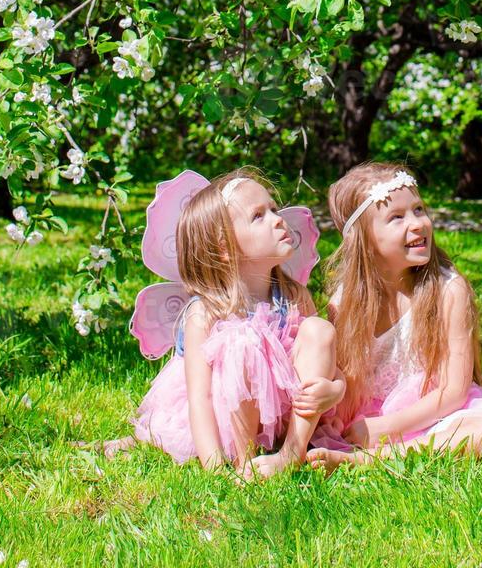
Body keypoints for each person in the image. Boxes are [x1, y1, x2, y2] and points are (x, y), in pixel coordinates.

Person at [111, 168, 344, 478]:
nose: (278, 219)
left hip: (287, 414)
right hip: (226, 419)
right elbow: (201, 398)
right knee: (243, 343)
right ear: (224, 247)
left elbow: (329, 365)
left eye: (274, 208)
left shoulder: (293, 295)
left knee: (319, 329)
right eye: (258, 216)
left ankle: (292, 452)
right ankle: (243, 462)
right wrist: (213, 468)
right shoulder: (205, 313)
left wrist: (335, 391)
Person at [307, 162, 482, 472]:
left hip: (439, 415)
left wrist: (386, 429)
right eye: (397, 217)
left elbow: (453, 392)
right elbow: (348, 377)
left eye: (418, 210)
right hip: (370, 418)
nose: (417, 224)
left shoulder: (449, 291)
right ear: (364, 241)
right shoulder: (345, 301)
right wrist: (336, 416)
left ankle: (366, 462)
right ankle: (370, 453)